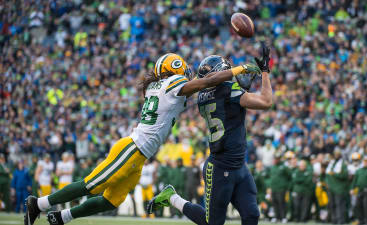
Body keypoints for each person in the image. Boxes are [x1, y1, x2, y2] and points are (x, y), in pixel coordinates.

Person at [24, 52, 260, 225]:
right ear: (174, 70)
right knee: (93, 185)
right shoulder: (171, 83)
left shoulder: (155, 86)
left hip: (140, 153)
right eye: (183, 69)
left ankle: (62, 217)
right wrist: (238, 70)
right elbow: (207, 82)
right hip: (132, 148)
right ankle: (39, 204)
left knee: (111, 201)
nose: (187, 72)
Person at [148, 42, 273, 225]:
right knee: (213, 223)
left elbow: (223, 102)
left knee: (251, 215)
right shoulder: (229, 91)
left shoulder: (203, 96)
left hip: (237, 165)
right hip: (221, 167)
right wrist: (265, 72)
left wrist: (241, 88)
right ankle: (172, 198)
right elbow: (266, 101)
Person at [326, 149, 349, 224]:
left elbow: (345, 175)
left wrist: (335, 174)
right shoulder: (331, 163)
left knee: (339, 205)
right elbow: (327, 174)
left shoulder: (343, 164)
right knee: (332, 205)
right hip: (331, 188)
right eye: (335, 154)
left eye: (338, 154)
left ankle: (340, 221)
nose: (336, 155)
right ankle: (334, 220)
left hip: (339, 188)